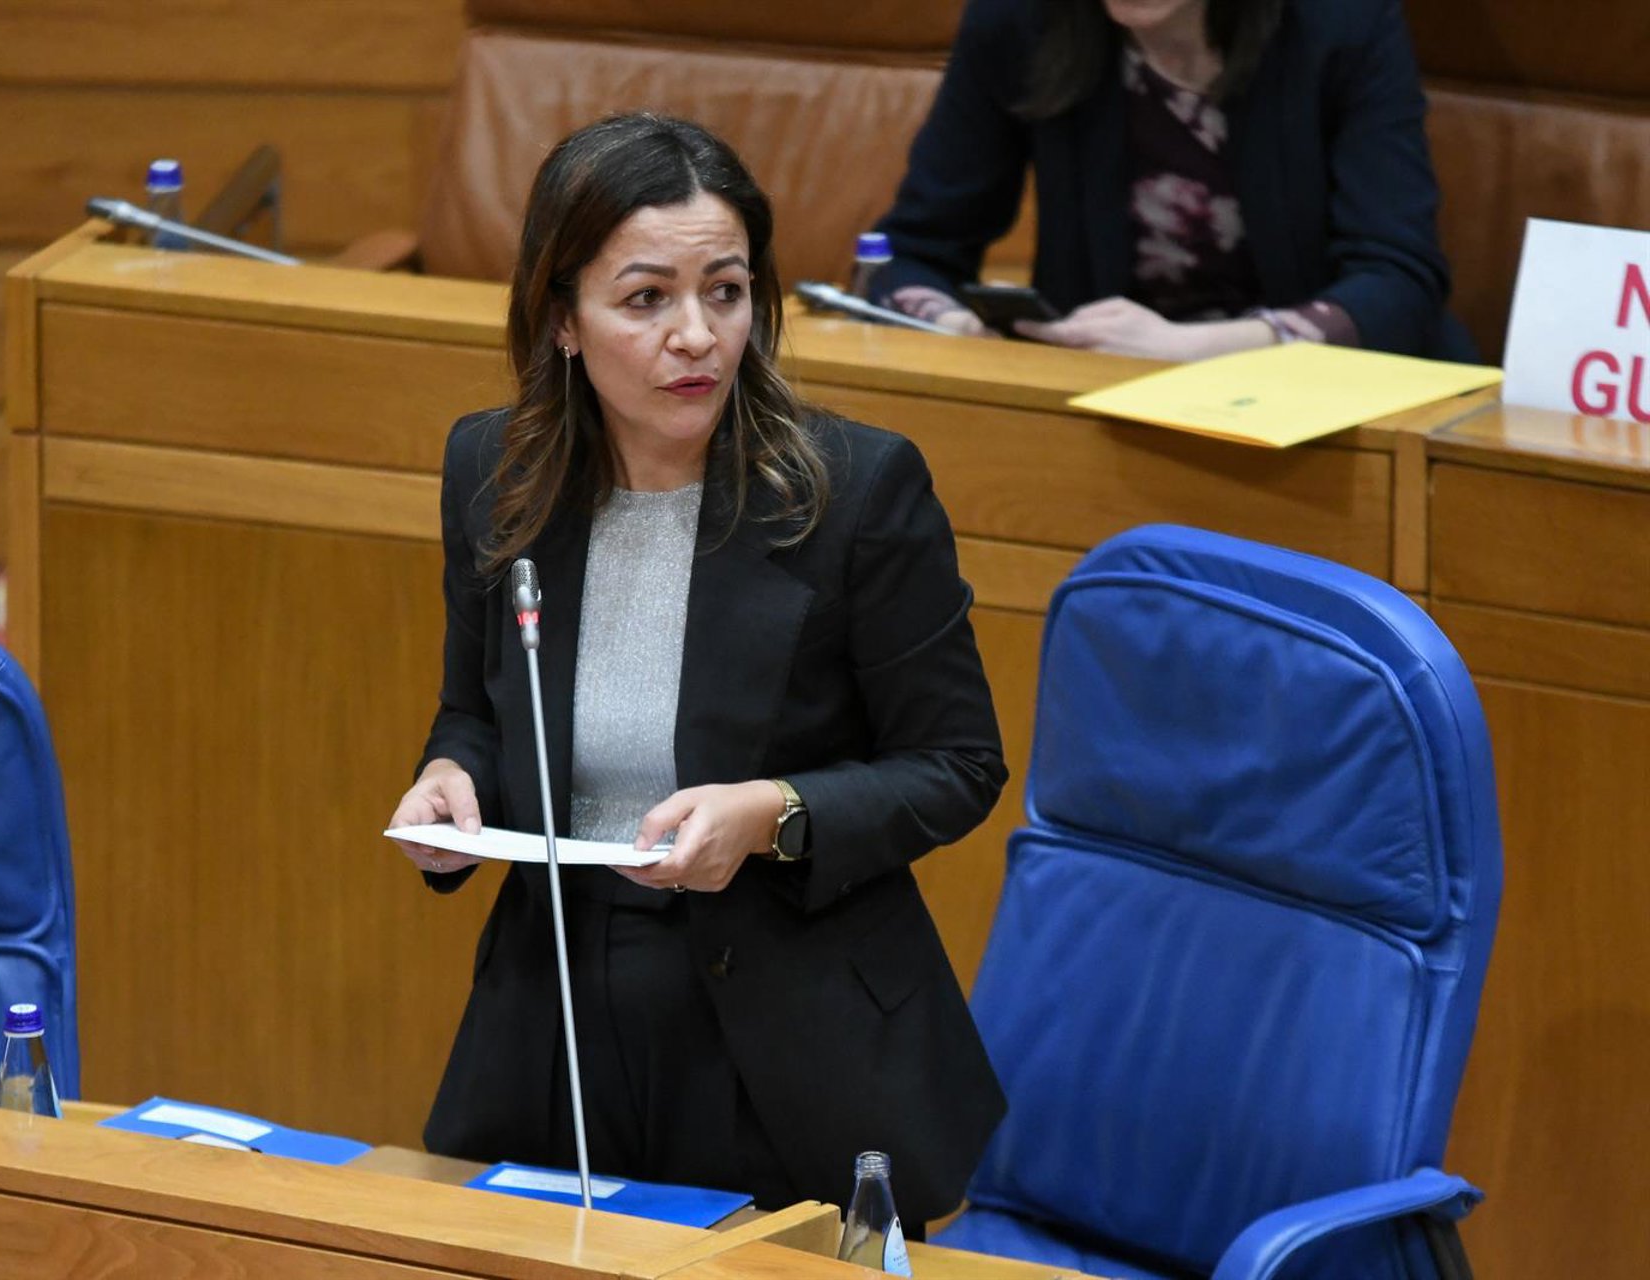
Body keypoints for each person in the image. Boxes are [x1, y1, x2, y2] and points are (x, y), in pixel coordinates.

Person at [386, 113, 1008, 1225]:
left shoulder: (856, 492)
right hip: (558, 1004)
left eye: (725, 291)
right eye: (645, 300)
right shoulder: (493, 468)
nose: (697, 336)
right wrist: (451, 778)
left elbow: (958, 762)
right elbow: (474, 707)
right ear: (561, 318)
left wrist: (776, 813)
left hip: (793, 1029)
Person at [875, 0, 1477, 361]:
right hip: (1104, 398)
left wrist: (1188, 349)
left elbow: (1400, 280)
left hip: (1323, 408)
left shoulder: (1342, 20)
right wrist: (955, 324)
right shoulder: (1021, 20)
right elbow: (909, 253)